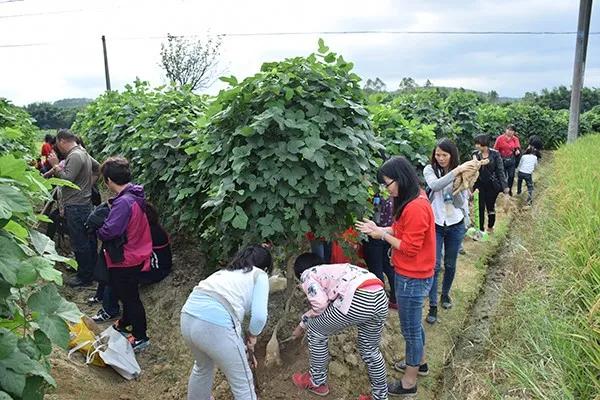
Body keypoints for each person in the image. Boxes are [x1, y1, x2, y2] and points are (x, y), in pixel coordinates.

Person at [356, 156, 436, 398]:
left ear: (399, 179)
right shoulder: (413, 198)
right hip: (410, 274)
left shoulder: (416, 207)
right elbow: (402, 230)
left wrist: (383, 236)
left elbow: (410, 247)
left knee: (410, 331)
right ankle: (419, 363)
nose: (386, 188)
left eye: (388, 183)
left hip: (413, 277)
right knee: (413, 325)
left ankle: (409, 382)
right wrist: (380, 229)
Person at [290, 253, 388, 400]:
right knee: (370, 350)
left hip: (358, 297)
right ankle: (380, 396)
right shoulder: (332, 271)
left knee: (316, 330)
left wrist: (305, 324)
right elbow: (325, 305)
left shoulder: (308, 274)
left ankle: (317, 382)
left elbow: (320, 304)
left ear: (300, 273)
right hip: (379, 295)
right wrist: (302, 324)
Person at [180, 245, 272, 400]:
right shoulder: (260, 274)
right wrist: (253, 335)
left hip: (188, 316)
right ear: (266, 267)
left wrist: (244, 346)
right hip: (215, 324)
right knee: (243, 383)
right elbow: (259, 317)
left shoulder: (223, 273)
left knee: (202, 367)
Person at [97, 157, 153, 352]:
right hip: (137, 252)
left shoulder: (124, 203)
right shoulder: (135, 195)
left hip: (126, 257)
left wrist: (98, 227)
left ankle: (140, 336)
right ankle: (125, 323)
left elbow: (110, 231)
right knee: (127, 294)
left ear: (109, 180)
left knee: (130, 297)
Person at [90, 202, 173, 321]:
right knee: (109, 259)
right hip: (148, 262)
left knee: (116, 273)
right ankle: (101, 296)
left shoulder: (150, 231)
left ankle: (109, 310)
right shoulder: (147, 227)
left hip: (157, 269)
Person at [423, 139, 472, 323]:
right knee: (434, 267)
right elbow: (435, 186)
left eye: (444, 155)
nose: (441, 158)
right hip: (435, 224)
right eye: (438, 154)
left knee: (450, 264)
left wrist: (459, 187)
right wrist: (455, 173)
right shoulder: (430, 170)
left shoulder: (461, 172)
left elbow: (459, 204)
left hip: (455, 224)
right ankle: (433, 306)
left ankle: (445, 295)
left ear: (452, 155)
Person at [46, 129, 100, 287]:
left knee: (80, 241)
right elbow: (97, 168)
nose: (58, 148)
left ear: (62, 141)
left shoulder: (75, 156)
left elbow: (66, 179)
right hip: (84, 203)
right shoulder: (82, 152)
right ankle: (92, 271)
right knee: (89, 238)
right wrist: (87, 186)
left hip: (75, 205)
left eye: (58, 144)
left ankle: (84, 277)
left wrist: (55, 165)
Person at [363, 193, 397, 310]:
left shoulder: (374, 193)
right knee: (388, 266)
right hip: (388, 232)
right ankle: (394, 299)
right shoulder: (393, 193)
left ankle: (379, 303)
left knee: (375, 269)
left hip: (375, 234)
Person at [473, 134, 508, 235]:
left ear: (484, 143)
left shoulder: (495, 154)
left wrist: (505, 187)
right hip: (479, 184)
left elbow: (500, 171)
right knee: (479, 206)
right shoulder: (475, 154)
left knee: (490, 206)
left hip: (492, 185)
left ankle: (490, 226)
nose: (476, 146)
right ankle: (480, 231)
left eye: (478, 144)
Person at [494, 125, 521, 196]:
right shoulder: (500, 138)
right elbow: (495, 149)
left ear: (514, 132)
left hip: (511, 159)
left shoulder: (515, 139)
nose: (510, 132)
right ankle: (502, 190)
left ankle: (509, 189)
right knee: (502, 176)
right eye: (508, 129)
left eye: (512, 130)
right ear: (505, 130)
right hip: (501, 159)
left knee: (511, 176)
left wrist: (517, 150)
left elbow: (517, 147)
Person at [517, 141, 542, 206]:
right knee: (530, 186)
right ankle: (529, 200)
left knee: (519, 182)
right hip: (528, 174)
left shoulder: (524, 156)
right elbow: (535, 166)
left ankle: (518, 192)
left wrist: (518, 170)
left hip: (521, 172)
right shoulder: (535, 158)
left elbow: (520, 164)